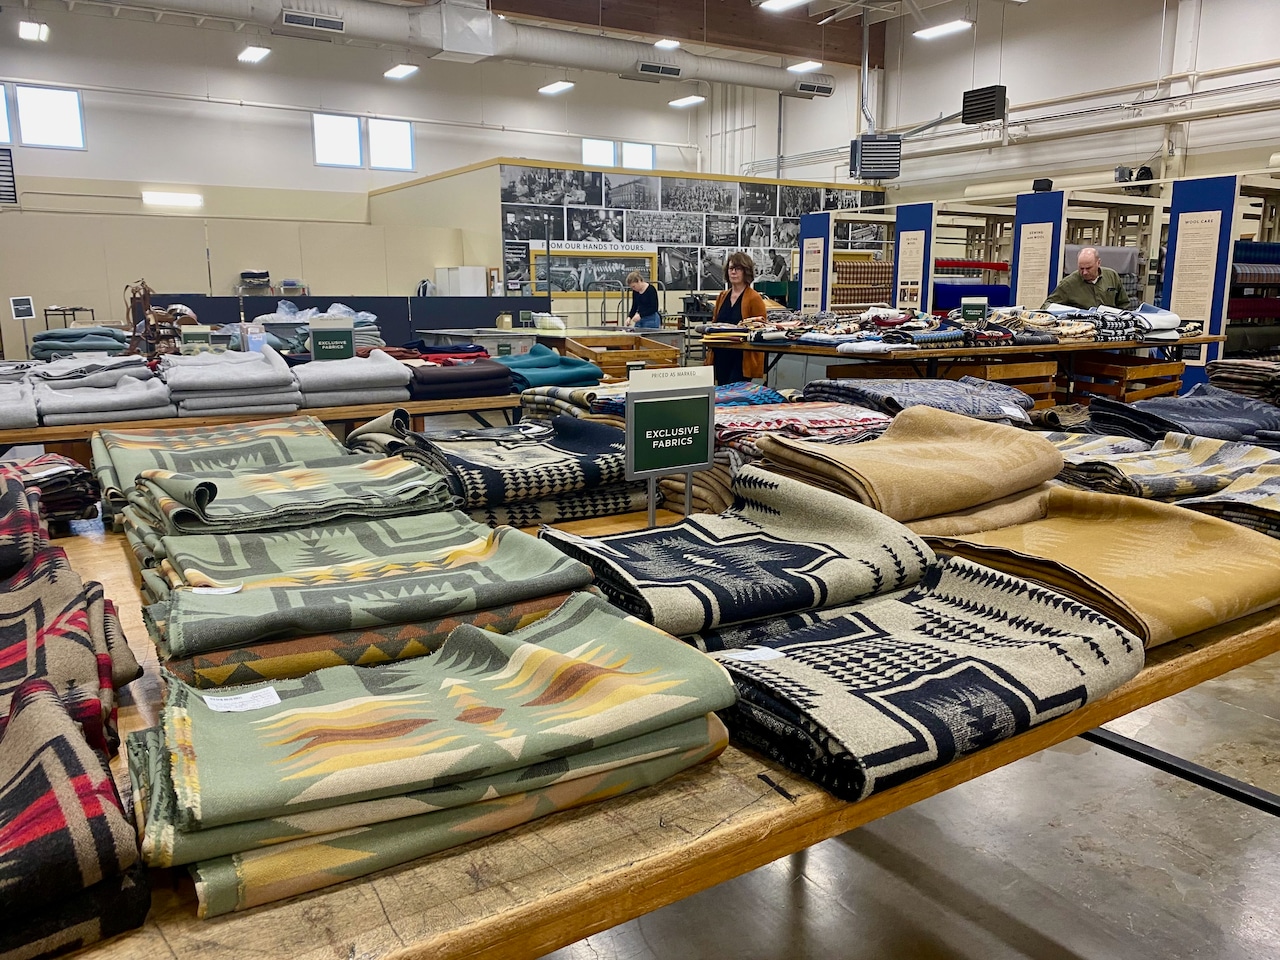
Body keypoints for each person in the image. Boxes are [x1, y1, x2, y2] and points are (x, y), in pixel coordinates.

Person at [709, 251, 768, 384]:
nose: (733, 272)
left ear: (746, 271)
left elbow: (761, 328)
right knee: (722, 393)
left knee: (735, 394)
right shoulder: (722, 296)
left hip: (742, 358)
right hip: (721, 355)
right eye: (731, 268)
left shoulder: (754, 298)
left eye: (738, 268)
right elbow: (714, 324)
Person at [1044, 247, 1132, 309]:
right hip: (1083, 329)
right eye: (1081, 268)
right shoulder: (1068, 284)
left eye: (1088, 268)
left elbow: (1124, 304)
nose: (1085, 272)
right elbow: (1047, 306)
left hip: (1110, 327)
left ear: (1098, 263)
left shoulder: (1112, 276)